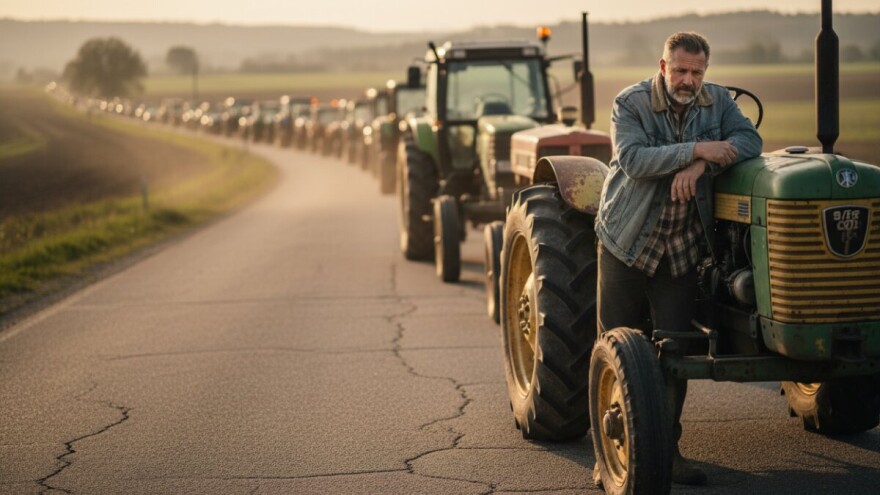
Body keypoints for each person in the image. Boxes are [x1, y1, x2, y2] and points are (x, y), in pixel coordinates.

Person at [594, 32, 762, 485]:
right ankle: (608, 450)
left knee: (674, 352)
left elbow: (749, 139)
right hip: (627, 240)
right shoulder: (630, 103)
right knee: (615, 345)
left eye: (697, 72)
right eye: (681, 70)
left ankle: (667, 452)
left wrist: (701, 166)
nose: (689, 80)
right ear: (663, 67)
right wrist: (698, 149)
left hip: (681, 248)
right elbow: (634, 160)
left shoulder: (717, 101)